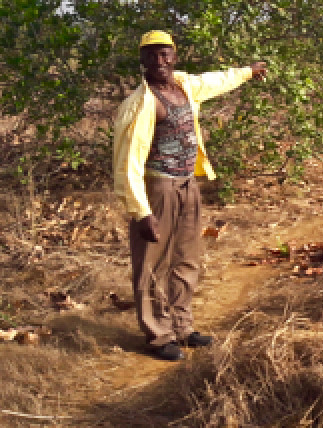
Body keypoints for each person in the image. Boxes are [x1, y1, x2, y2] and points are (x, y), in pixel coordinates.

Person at [112, 30, 268, 361]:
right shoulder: (139, 104)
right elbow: (126, 163)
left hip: (187, 184)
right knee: (153, 264)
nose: (159, 61)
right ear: (142, 61)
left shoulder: (185, 85)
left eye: (165, 53)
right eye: (151, 55)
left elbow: (217, 80)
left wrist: (249, 72)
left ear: (174, 56)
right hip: (158, 189)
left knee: (186, 259)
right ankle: (158, 336)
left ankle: (182, 327)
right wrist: (141, 212)